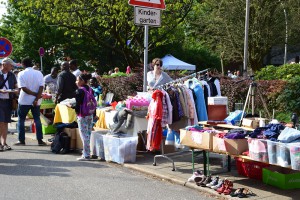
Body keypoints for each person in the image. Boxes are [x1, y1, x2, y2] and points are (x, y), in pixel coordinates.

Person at [14, 57, 46, 146]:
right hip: (37, 100)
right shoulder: (39, 73)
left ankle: (21, 140)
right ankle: (40, 140)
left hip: (24, 100)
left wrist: (34, 94)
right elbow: (41, 87)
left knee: (21, 119)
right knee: (37, 119)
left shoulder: (21, 74)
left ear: (23, 64)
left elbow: (23, 88)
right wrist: (36, 97)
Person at [73, 73, 95, 161]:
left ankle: (86, 155)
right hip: (90, 114)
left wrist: (73, 108)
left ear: (82, 81)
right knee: (88, 134)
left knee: (83, 135)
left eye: (78, 80)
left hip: (82, 115)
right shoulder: (90, 89)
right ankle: (87, 152)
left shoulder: (79, 91)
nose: (76, 82)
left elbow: (77, 105)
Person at [0, 58, 18, 151]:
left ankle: (4, 142)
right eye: (11, 65)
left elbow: (16, 86)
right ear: (5, 65)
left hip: (9, 100)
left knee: (6, 122)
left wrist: (16, 90)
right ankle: (0, 143)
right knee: (1, 122)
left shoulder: (11, 75)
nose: (12, 67)